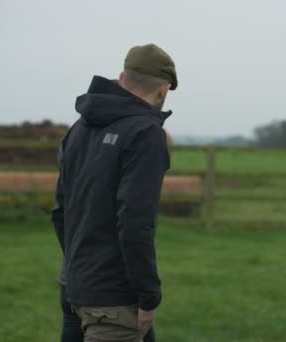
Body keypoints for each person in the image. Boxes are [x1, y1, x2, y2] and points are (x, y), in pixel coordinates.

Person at [51, 43, 177, 342]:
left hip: (74, 286)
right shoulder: (145, 133)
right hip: (114, 301)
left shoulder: (79, 128)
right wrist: (149, 296)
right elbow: (134, 222)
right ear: (164, 90)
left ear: (121, 78)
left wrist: (80, 267)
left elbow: (60, 211)